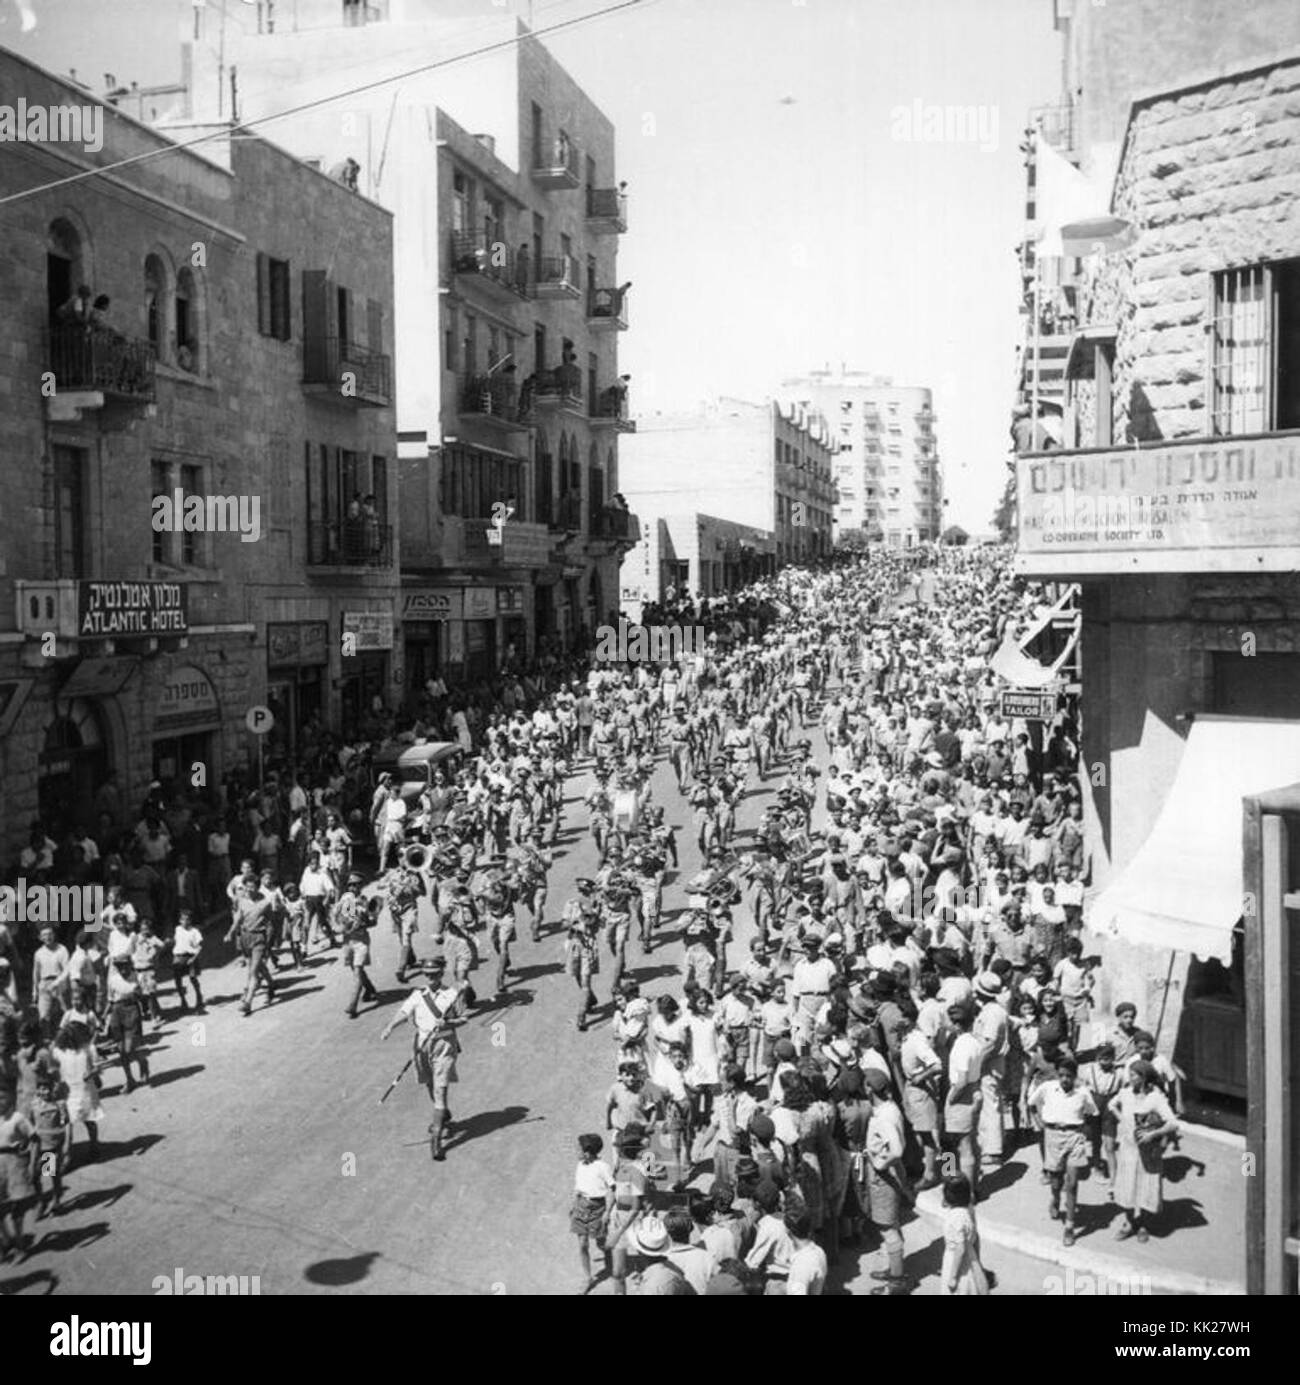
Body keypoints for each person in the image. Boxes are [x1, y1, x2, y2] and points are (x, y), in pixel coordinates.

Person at [380, 958, 467, 1162]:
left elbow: (463, 1018)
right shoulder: (418, 994)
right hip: (421, 1045)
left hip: (444, 1045)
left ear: (441, 973)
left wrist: (447, 1022)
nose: (431, 978)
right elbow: (404, 1012)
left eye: (435, 974)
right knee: (429, 1084)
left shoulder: (452, 994)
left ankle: (436, 1141)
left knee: (440, 1089)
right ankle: (442, 1113)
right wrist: (390, 1026)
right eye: (427, 974)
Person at [1029, 1056, 1097, 1246]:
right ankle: (1055, 1197)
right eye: (1061, 1075)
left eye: (1069, 1076)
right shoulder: (1048, 1088)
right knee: (1056, 1180)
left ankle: (1069, 1225)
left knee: (1073, 1182)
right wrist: (1039, 1123)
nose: (1065, 1079)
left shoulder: (1083, 1093)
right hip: (1053, 1136)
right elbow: (1031, 1103)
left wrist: (1084, 1132)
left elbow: (1092, 1113)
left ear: (1075, 1077)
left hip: (1075, 1138)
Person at [1111, 1059, 1178, 1242]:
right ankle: (1129, 1222)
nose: (1129, 1077)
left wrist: (1153, 1134)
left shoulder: (1155, 1098)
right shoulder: (1125, 1094)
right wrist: (1123, 1122)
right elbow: (1111, 1105)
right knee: (1127, 1185)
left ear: (1144, 1077)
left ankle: (1143, 1225)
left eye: (1133, 1074)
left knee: (1146, 1185)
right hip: (1128, 1148)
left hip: (1148, 1150)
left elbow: (1173, 1123)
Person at [570, 1132, 614, 1294]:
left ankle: (610, 1260)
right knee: (582, 1244)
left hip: (598, 1208)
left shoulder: (603, 1167)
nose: (576, 1151)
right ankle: (588, 1277)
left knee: (601, 1242)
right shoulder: (580, 1165)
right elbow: (578, 1187)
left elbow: (611, 1190)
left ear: (587, 1152)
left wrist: (607, 1212)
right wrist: (573, 1204)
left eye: (578, 1149)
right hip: (581, 1207)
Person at [0, 1084, 35, 1263]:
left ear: (11, 1099)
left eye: (2, 1098)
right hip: (1, 1168)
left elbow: (38, 1140)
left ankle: (20, 1246)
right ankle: (5, 1242)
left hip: (17, 1166)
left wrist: (44, 1168)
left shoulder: (19, 1118)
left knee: (17, 1208)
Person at [940, 1173, 991, 1295]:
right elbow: (975, 1237)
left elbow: (960, 1248)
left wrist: (953, 1277)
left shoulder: (956, 1217)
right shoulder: (969, 1208)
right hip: (970, 1256)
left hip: (957, 1263)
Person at [170, 906, 206, 1014]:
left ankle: (199, 997)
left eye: (187, 919)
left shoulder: (194, 932)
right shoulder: (177, 929)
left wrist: (193, 958)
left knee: (193, 978)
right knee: (177, 980)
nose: (185, 922)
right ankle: (183, 1001)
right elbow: (177, 942)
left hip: (190, 957)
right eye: (182, 919)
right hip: (178, 957)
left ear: (191, 920)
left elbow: (199, 947)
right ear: (179, 920)